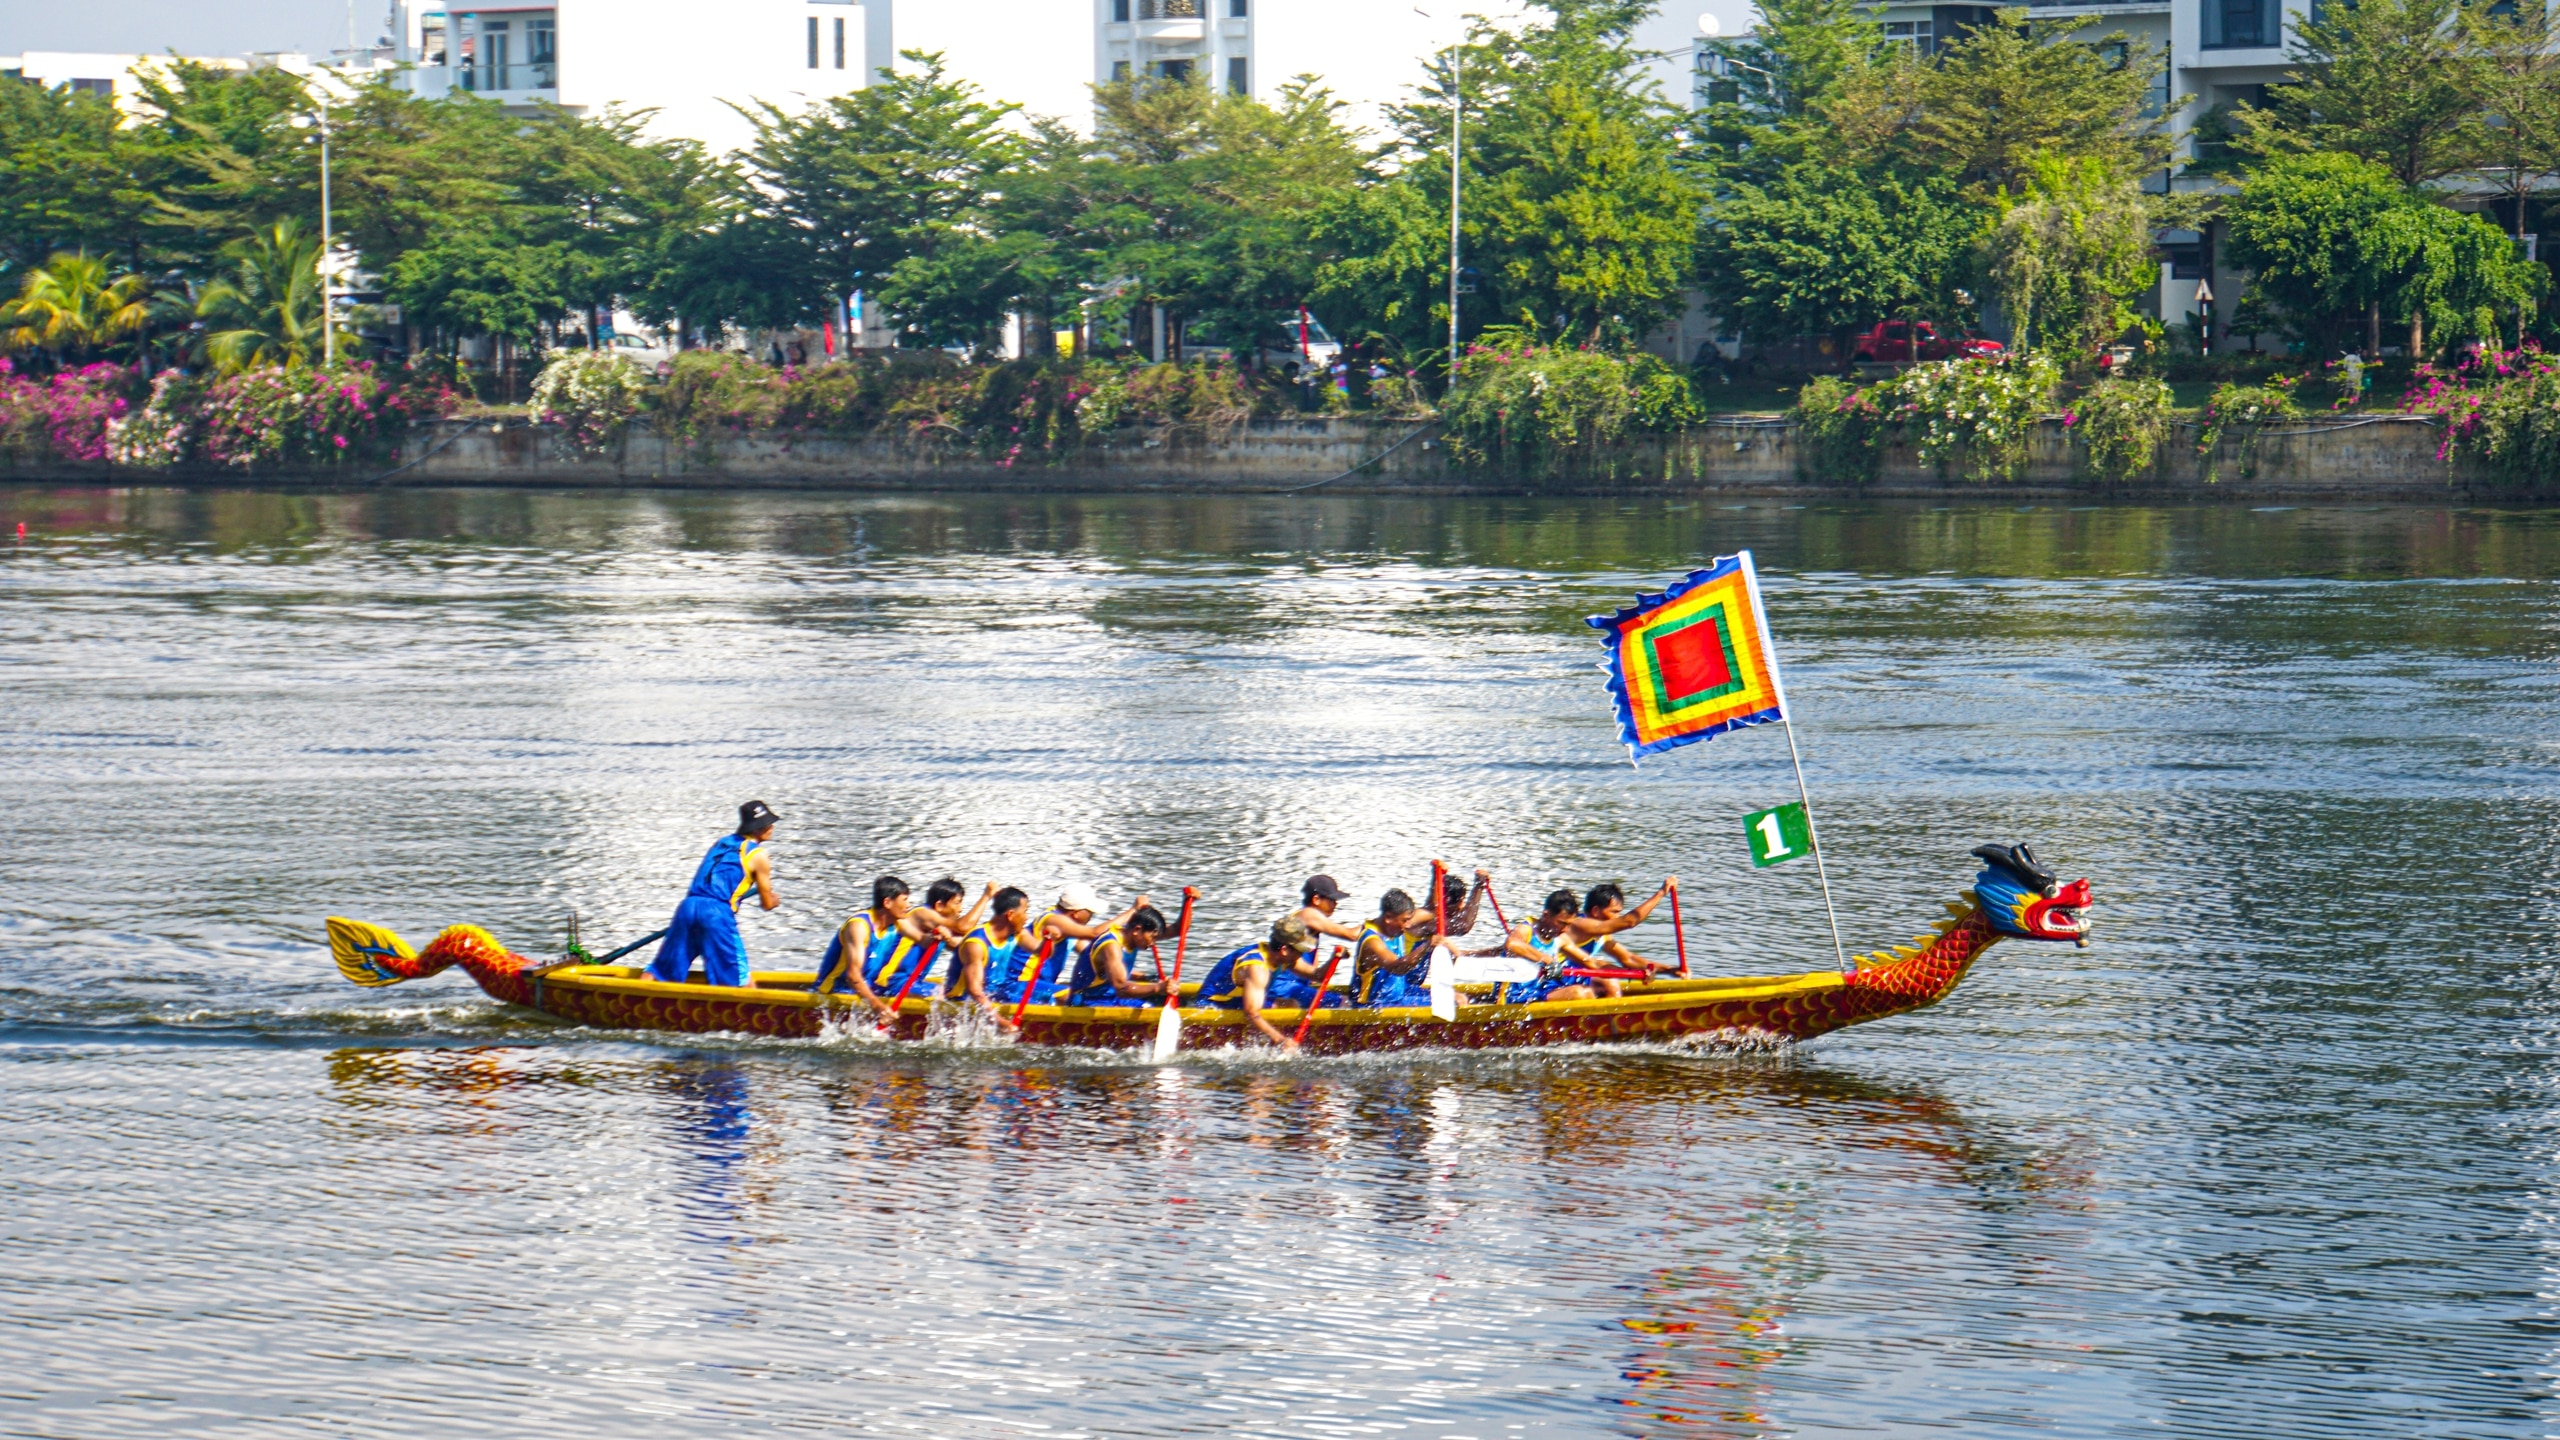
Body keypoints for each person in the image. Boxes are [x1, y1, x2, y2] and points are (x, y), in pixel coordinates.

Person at [649, 801, 780, 987]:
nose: (772, 827)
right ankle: (752, 1012)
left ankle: (635, 1001)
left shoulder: (721, 842)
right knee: (738, 977)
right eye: (767, 824)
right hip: (716, 913)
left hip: (688, 906)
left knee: (660, 970)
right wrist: (774, 899)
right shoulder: (759, 855)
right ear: (757, 828)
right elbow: (767, 904)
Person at [1195, 915, 1325, 1049]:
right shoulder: (1257, 968)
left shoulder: (1280, 956)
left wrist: (1335, 957)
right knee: (1289, 1005)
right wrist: (1280, 1040)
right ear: (1284, 950)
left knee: (1290, 1003)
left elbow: (1318, 976)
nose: (1301, 955)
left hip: (1235, 1001)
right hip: (1212, 1005)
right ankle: (1281, 1045)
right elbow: (1251, 1013)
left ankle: (1281, 1042)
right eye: (1299, 951)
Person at [809, 874, 915, 1019]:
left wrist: (939, 934)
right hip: (837, 990)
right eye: (905, 900)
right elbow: (853, 975)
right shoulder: (859, 927)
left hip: (866, 987)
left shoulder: (897, 923)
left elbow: (924, 939)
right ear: (887, 903)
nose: (909, 906)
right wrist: (877, 1006)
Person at [1024, 885, 1149, 1004]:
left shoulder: (1068, 929)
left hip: (1040, 984)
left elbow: (1090, 953)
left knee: (1082, 992)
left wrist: (1121, 971)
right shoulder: (1053, 920)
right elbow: (1095, 933)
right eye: (1090, 912)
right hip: (1022, 983)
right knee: (1071, 995)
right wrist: (1133, 911)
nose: (1091, 916)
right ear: (1076, 913)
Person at [1564, 879, 1679, 998]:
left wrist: (1670, 970)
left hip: (1573, 974)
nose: (1617, 918)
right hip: (1554, 976)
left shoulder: (1602, 935)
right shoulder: (1579, 924)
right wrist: (1661, 893)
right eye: (1614, 912)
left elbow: (1628, 959)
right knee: (1609, 982)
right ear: (1596, 911)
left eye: (1619, 913)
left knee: (1609, 979)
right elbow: (1630, 921)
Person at [1499, 888, 1601, 1005]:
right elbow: (1511, 945)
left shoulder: (1560, 938)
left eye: (1569, 925)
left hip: (1540, 991)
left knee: (1600, 984)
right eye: (1561, 923)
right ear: (1546, 915)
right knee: (1579, 993)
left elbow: (1590, 963)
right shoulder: (1526, 930)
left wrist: (1622, 970)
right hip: (1516, 995)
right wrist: (1548, 960)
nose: (1565, 929)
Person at [955, 886, 1040, 1020]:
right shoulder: (976, 944)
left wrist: (1050, 940)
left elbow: (1044, 952)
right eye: (1025, 912)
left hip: (998, 993)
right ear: (1010, 915)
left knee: (1047, 1000)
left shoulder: (1018, 934)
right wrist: (1002, 1022)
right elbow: (975, 992)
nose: (1026, 917)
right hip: (966, 1001)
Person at [1062, 904, 1173, 1007]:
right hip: (1087, 1001)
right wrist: (1158, 988)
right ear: (1137, 930)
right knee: (1151, 1009)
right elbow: (1122, 989)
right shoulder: (1111, 946)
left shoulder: (1131, 936)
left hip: (1110, 998)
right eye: (1152, 937)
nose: (1153, 943)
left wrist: (1187, 900)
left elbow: (1176, 930)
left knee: (1151, 1007)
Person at [1351, 889, 1430, 1008]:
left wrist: (1437, 874)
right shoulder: (1372, 942)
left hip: (1398, 998)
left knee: (1451, 997)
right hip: (1373, 1006)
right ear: (1388, 917)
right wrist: (1427, 946)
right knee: (1449, 1004)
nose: (1408, 925)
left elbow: (1433, 909)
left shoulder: (1394, 927)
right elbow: (1398, 968)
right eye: (1405, 920)